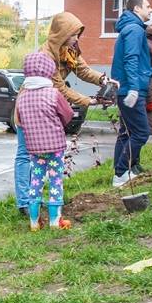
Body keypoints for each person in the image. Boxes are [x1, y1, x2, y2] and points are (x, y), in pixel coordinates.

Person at [14, 12, 109, 215]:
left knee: (38, 157)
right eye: (74, 34)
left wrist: (103, 80)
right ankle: (25, 202)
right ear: (62, 33)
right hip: (30, 107)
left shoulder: (70, 51)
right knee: (25, 154)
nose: (77, 38)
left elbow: (83, 70)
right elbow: (60, 88)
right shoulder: (45, 56)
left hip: (45, 106)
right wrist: (87, 100)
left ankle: (37, 199)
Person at [16, 52, 74, 231]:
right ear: (49, 71)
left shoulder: (23, 96)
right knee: (56, 180)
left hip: (34, 148)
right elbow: (68, 114)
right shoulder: (53, 93)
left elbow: (19, 122)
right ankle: (55, 221)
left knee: (36, 180)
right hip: (55, 147)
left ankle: (34, 222)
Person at [110, 0, 152, 188]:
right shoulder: (134, 29)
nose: (150, 10)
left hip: (128, 88)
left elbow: (139, 65)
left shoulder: (131, 28)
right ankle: (121, 173)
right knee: (141, 133)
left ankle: (119, 173)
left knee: (126, 132)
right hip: (132, 91)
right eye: (147, 6)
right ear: (137, 9)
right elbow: (131, 59)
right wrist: (132, 89)